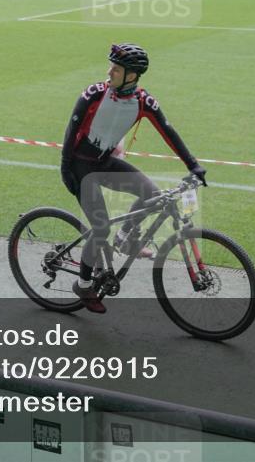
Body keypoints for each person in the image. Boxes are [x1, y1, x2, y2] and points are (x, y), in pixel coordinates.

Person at [61, 44, 207, 313]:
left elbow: (168, 131)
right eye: (110, 67)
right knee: (101, 227)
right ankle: (83, 285)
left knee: (152, 195)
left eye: (115, 69)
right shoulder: (94, 94)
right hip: (81, 167)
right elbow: (71, 130)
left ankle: (126, 237)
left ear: (132, 75)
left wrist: (194, 166)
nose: (109, 72)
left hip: (104, 163)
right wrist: (65, 169)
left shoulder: (142, 101)